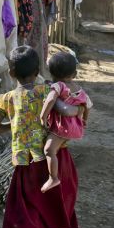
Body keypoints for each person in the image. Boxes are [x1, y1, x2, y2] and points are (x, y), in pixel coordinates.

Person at [0, 45, 81, 228]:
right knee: (59, 198)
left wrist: (13, 125)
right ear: (38, 72)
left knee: (27, 205)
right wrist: (81, 109)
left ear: (11, 73)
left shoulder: (6, 99)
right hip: (56, 157)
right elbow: (65, 111)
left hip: (26, 161)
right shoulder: (48, 91)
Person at [39, 52, 92, 193]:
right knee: (57, 147)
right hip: (75, 127)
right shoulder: (79, 89)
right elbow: (88, 105)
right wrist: (85, 120)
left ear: (51, 73)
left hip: (63, 128)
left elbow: (50, 100)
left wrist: (43, 116)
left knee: (48, 150)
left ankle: (53, 178)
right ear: (74, 74)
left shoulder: (59, 86)